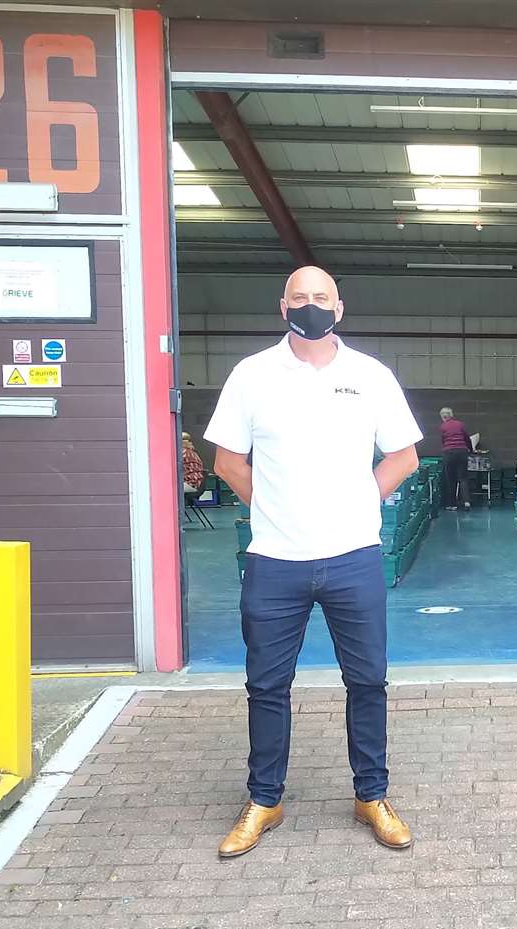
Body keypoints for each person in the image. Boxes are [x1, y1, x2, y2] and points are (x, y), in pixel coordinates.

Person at [205, 265, 422, 857]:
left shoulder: (370, 377)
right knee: (267, 684)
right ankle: (264, 799)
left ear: (339, 308)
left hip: (353, 556)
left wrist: (360, 500)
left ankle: (371, 795)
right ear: (282, 308)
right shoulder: (252, 376)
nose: (311, 306)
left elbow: (403, 457)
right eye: (300, 297)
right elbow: (227, 461)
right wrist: (275, 508)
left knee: (368, 681)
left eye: (321, 297)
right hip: (275, 560)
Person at [438, 407, 472, 511]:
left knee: (451, 480)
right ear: (451, 415)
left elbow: (443, 440)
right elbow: (467, 438)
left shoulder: (443, 426)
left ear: (443, 417)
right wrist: (470, 449)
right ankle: (466, 502)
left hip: (449, 453)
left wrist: (446, 450)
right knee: (463, 478)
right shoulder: (460, 424)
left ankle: (452, 504)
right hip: (462, 452)